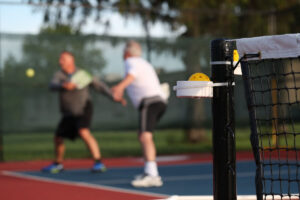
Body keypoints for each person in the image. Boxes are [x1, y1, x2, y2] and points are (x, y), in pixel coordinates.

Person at [42, 51, 125, 173]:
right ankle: (58, 164)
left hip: (84, 108)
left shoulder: (83, 74)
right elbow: (52, 85)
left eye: (63, 59)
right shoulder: (59, 75)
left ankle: (98, 162)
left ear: (71, 60)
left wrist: (113, 97)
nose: (60, 61)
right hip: (68, 112)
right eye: (60, 59)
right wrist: (64, 85)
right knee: (58, 138)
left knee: (83, 131)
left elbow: (99, 86)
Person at [112, 40, 167, 187]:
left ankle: (152, 175)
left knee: (145, 136)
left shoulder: (131, 61)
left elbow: (132, 76)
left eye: (124, 51)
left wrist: (119, 87)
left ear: (127, 52)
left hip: (150, 102)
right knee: (142, 135)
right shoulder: (144, 63)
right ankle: (149, 170)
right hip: (158, 102)